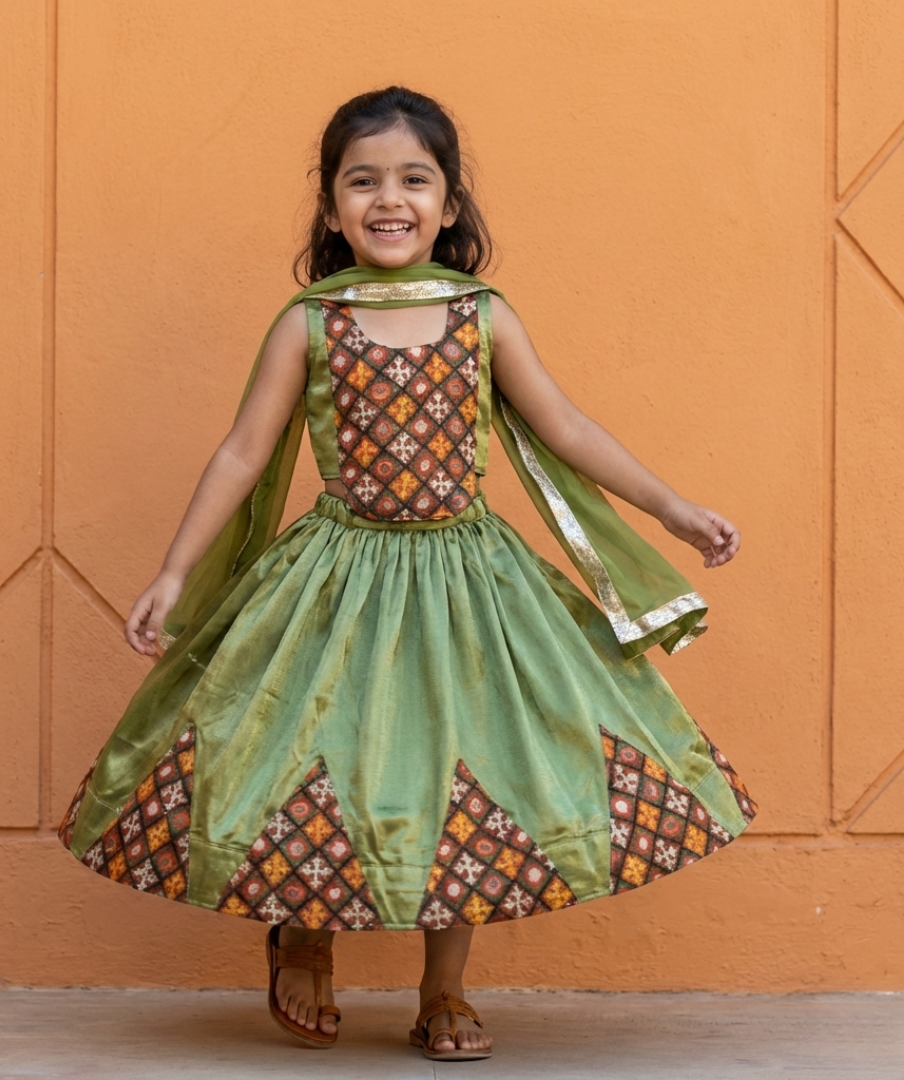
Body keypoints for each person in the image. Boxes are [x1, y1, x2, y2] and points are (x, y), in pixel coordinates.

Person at [58, 86, 755, 1062]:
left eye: (414, 180)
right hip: (334, 585)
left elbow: (567, 428)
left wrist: (673, 509)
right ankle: (304, 939)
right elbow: (241, 455)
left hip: (471, 587)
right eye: (364, 181)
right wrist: (175, 575)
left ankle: (445, 989)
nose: (390, 200)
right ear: (332, 206)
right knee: (314, 752)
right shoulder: (309, 323)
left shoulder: (482, 317)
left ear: (452, 203)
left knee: (461, 769)